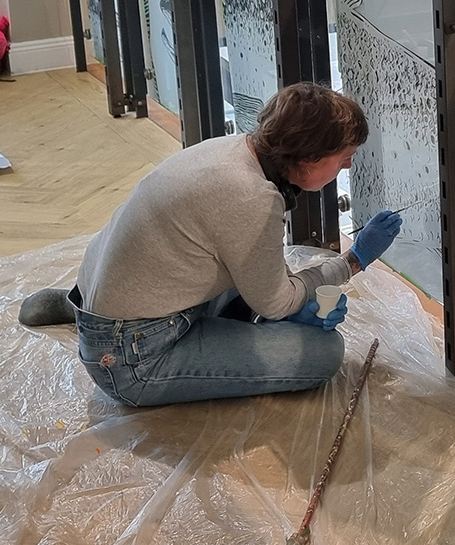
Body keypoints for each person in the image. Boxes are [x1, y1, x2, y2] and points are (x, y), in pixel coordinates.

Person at [18, 82, 403, 407]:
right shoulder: (251, 198)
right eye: (344, 158)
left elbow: (259, 268)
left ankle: (87, 311)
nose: (348, 168)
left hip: (108, 291)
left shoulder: (236, 151)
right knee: (323, 354)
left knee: (263, 278)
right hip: (130, 359)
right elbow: (276, 301)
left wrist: (288, 301)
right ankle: (105, 334)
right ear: (308, 157)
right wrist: (354, 260)